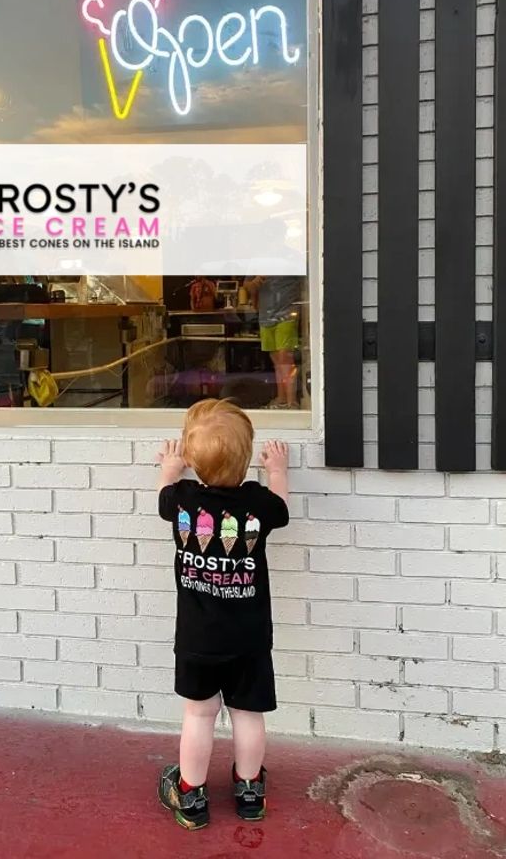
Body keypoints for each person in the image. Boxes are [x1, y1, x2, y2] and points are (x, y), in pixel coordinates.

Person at [156, 399, 289, 830]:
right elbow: (281, 508)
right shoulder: (257, 503)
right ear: (246, 458)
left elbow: (163, 494)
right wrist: (277, 472)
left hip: (197, 638)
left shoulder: (181, 501)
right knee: (248, 713)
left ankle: (191, 795)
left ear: (194, 461)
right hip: (248, 637)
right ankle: (249, 791)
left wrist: (170, 468)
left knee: (199, 714)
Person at [243, 275, 301, 410]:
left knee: (285, 359)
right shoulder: (258, 264)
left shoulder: (290, 262)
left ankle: (292, 402)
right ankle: (282, 399)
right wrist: (254, 283)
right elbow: (247, 285)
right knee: (277, 361)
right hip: (266, 316)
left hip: (287, 313)